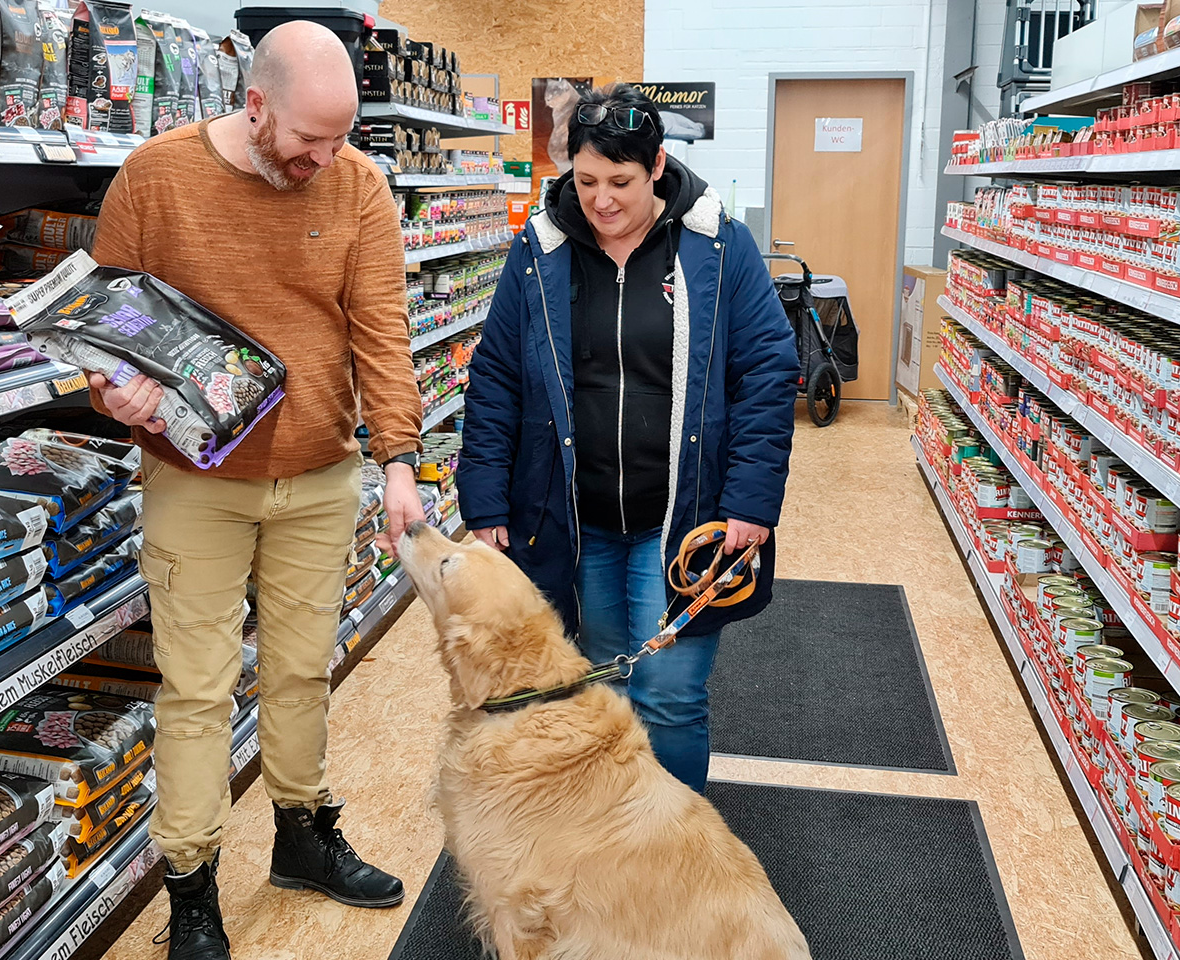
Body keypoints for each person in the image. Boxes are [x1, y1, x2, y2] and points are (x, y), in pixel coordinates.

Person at [86, 20, 424, 960]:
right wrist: (116, 394)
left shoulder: (357, 183)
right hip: (196, 479)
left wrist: (399, 457)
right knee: (196, 691)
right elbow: (102, 329)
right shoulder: (155, 178)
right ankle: (191, 886)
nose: (327, 158)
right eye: (309, 140)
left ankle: (301, 835)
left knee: (302, 669)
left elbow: (382, 332)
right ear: (255, 103)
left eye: (340, 138)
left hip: (320, 475)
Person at [455, 84, 798, 792]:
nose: (601, 199)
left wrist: (752, 499)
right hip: (574, 522)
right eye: (585, 181)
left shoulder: (716, 247)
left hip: (681, 519)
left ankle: (672, 858)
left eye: (621, 181)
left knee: (669, 697)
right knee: (602, 694)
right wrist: (485, 500)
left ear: (658, 168)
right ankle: (614, 846)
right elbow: (496, 379)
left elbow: (767, 370)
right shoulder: (539, 251)